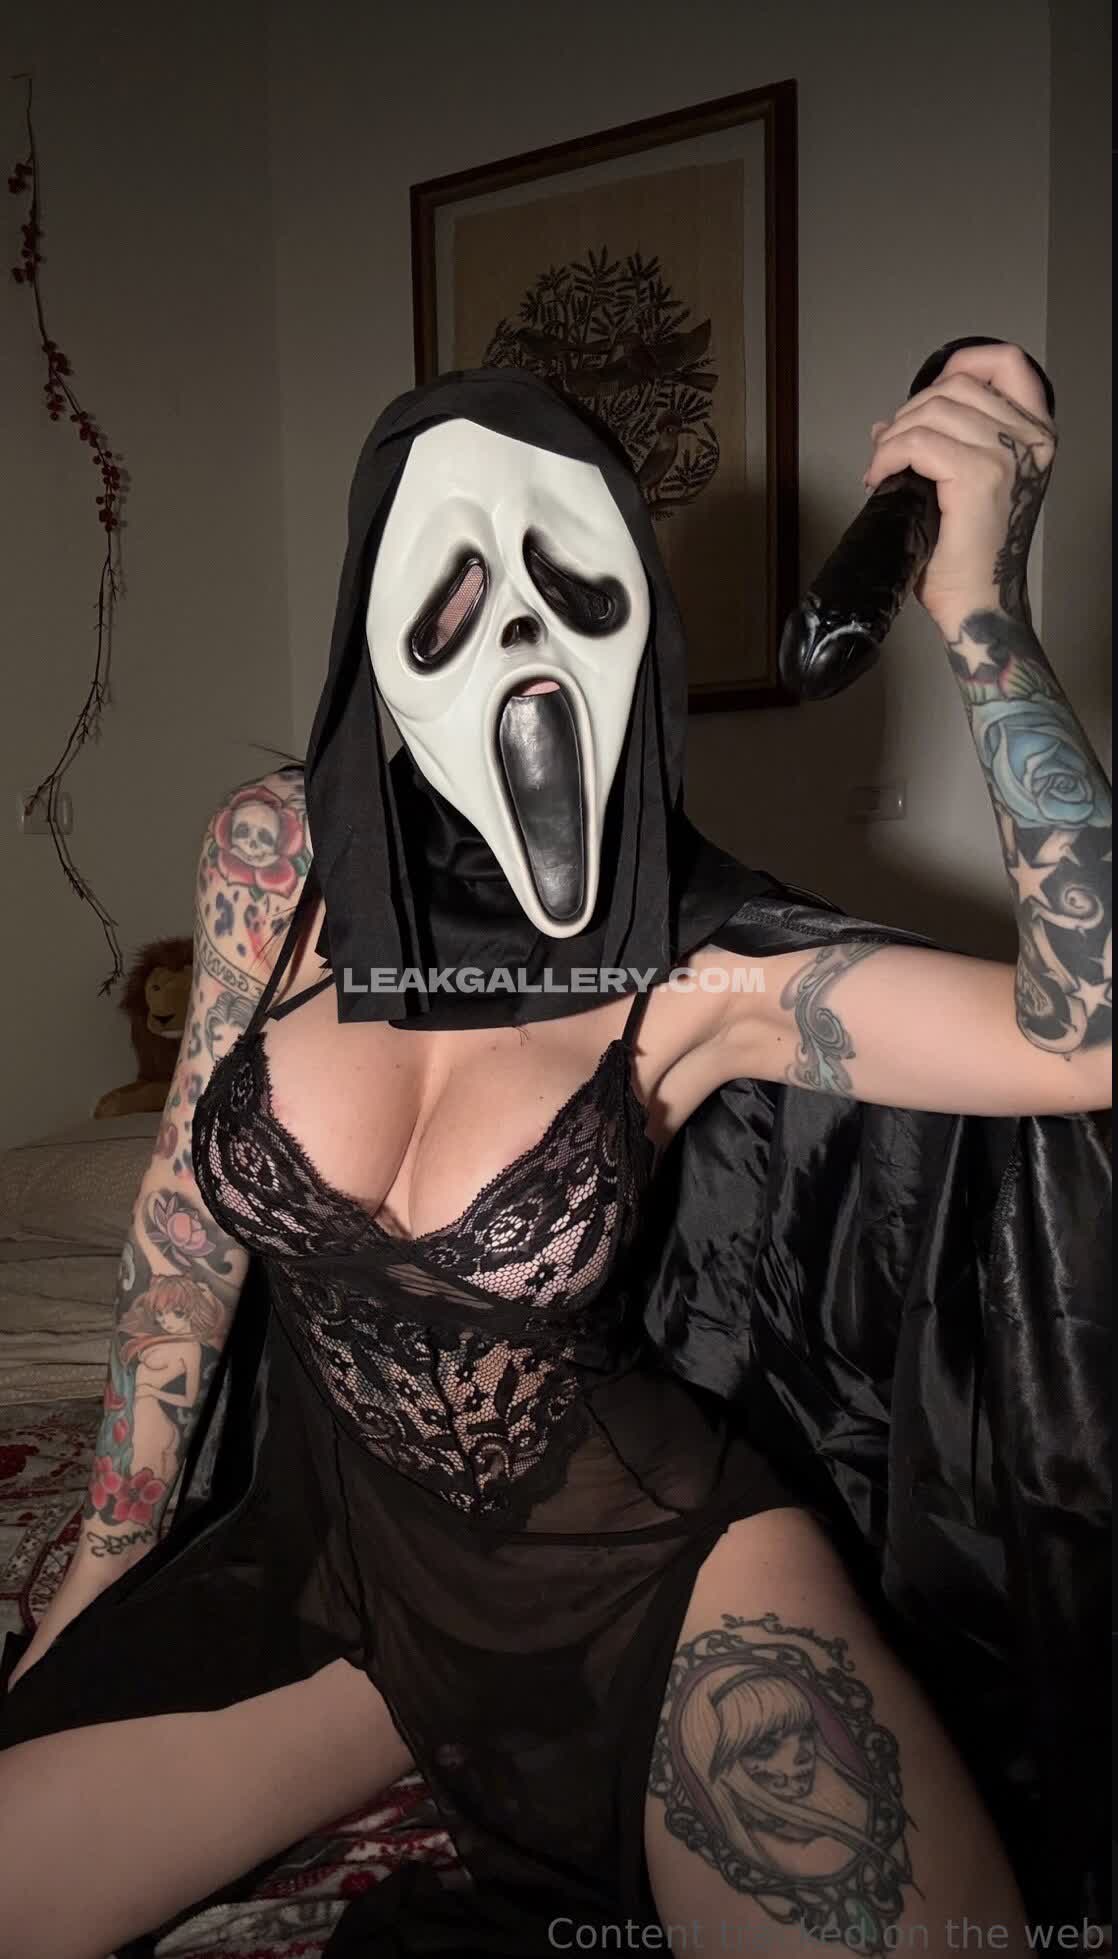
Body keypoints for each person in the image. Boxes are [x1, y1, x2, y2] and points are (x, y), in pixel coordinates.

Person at [0, 348, 1109, 1959]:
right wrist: (101, 1575)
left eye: (568, 582)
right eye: (450, 590)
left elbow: (1086, 1037)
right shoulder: (275, 860)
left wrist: (976, 603)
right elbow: (183, 1235)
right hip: (339, 1569)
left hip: (645, 1574)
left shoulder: (711, 974)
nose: (516, 630)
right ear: (373, 632)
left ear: (637, 617)